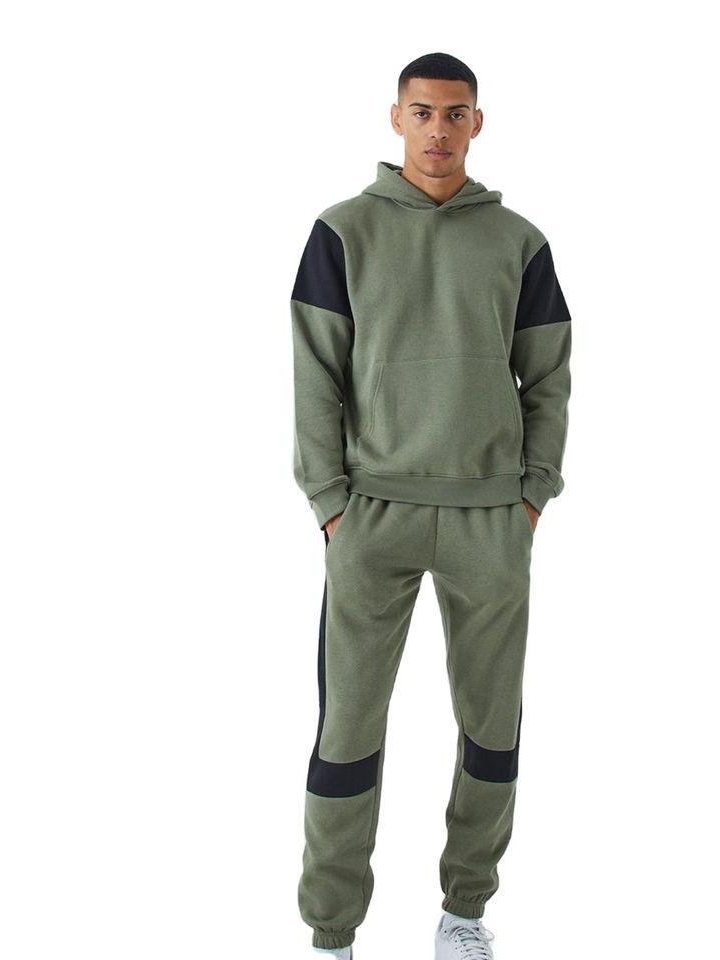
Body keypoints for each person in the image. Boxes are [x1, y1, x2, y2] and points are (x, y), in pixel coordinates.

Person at [290, 52, 572, 960]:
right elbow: (314, 376)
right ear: (397, 119)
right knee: (347, 730)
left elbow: (549, 378)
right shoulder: (342, 232)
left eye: (455, 113)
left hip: (492, 517)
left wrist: (533, 494)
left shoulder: (519, 241)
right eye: (423, 112)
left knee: (491, 728)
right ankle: (332, 932)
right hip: (370, 514)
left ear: (476, 123)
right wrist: (330, 502)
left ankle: (464, 913)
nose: (439, 130)